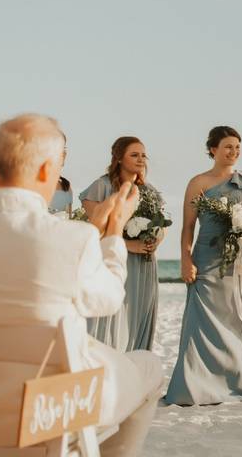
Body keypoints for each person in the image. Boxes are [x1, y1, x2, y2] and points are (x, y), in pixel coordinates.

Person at [0, 114, 161, 456]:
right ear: (44, 171)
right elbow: (109, 298)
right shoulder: (70, 238)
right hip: (51, 410)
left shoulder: (76, 236)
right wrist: (113, 231)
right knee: (148, 367)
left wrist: (93, 230)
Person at [164, 125, 242, 405]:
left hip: (235, 262)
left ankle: (237, 383)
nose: (233, 152)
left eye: (237, 147)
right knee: (200, 322)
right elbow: (187, 227)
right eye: (228, 147)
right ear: (212, 150)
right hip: (205, 259)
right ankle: (193, 387)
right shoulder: (198, 182)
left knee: (233, 321)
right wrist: (186, 260)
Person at [81, 136, 165, 352]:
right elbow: (94, 231)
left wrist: (155, 240)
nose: (141, 159)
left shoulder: (150, 192)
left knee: (136, 317)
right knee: (111, 317)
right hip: (113, 261)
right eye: (134, 155)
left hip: (144, 265)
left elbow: (161, 225)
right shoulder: (100, 187)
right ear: (119, 158)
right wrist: (131, 246)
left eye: (143, 155)